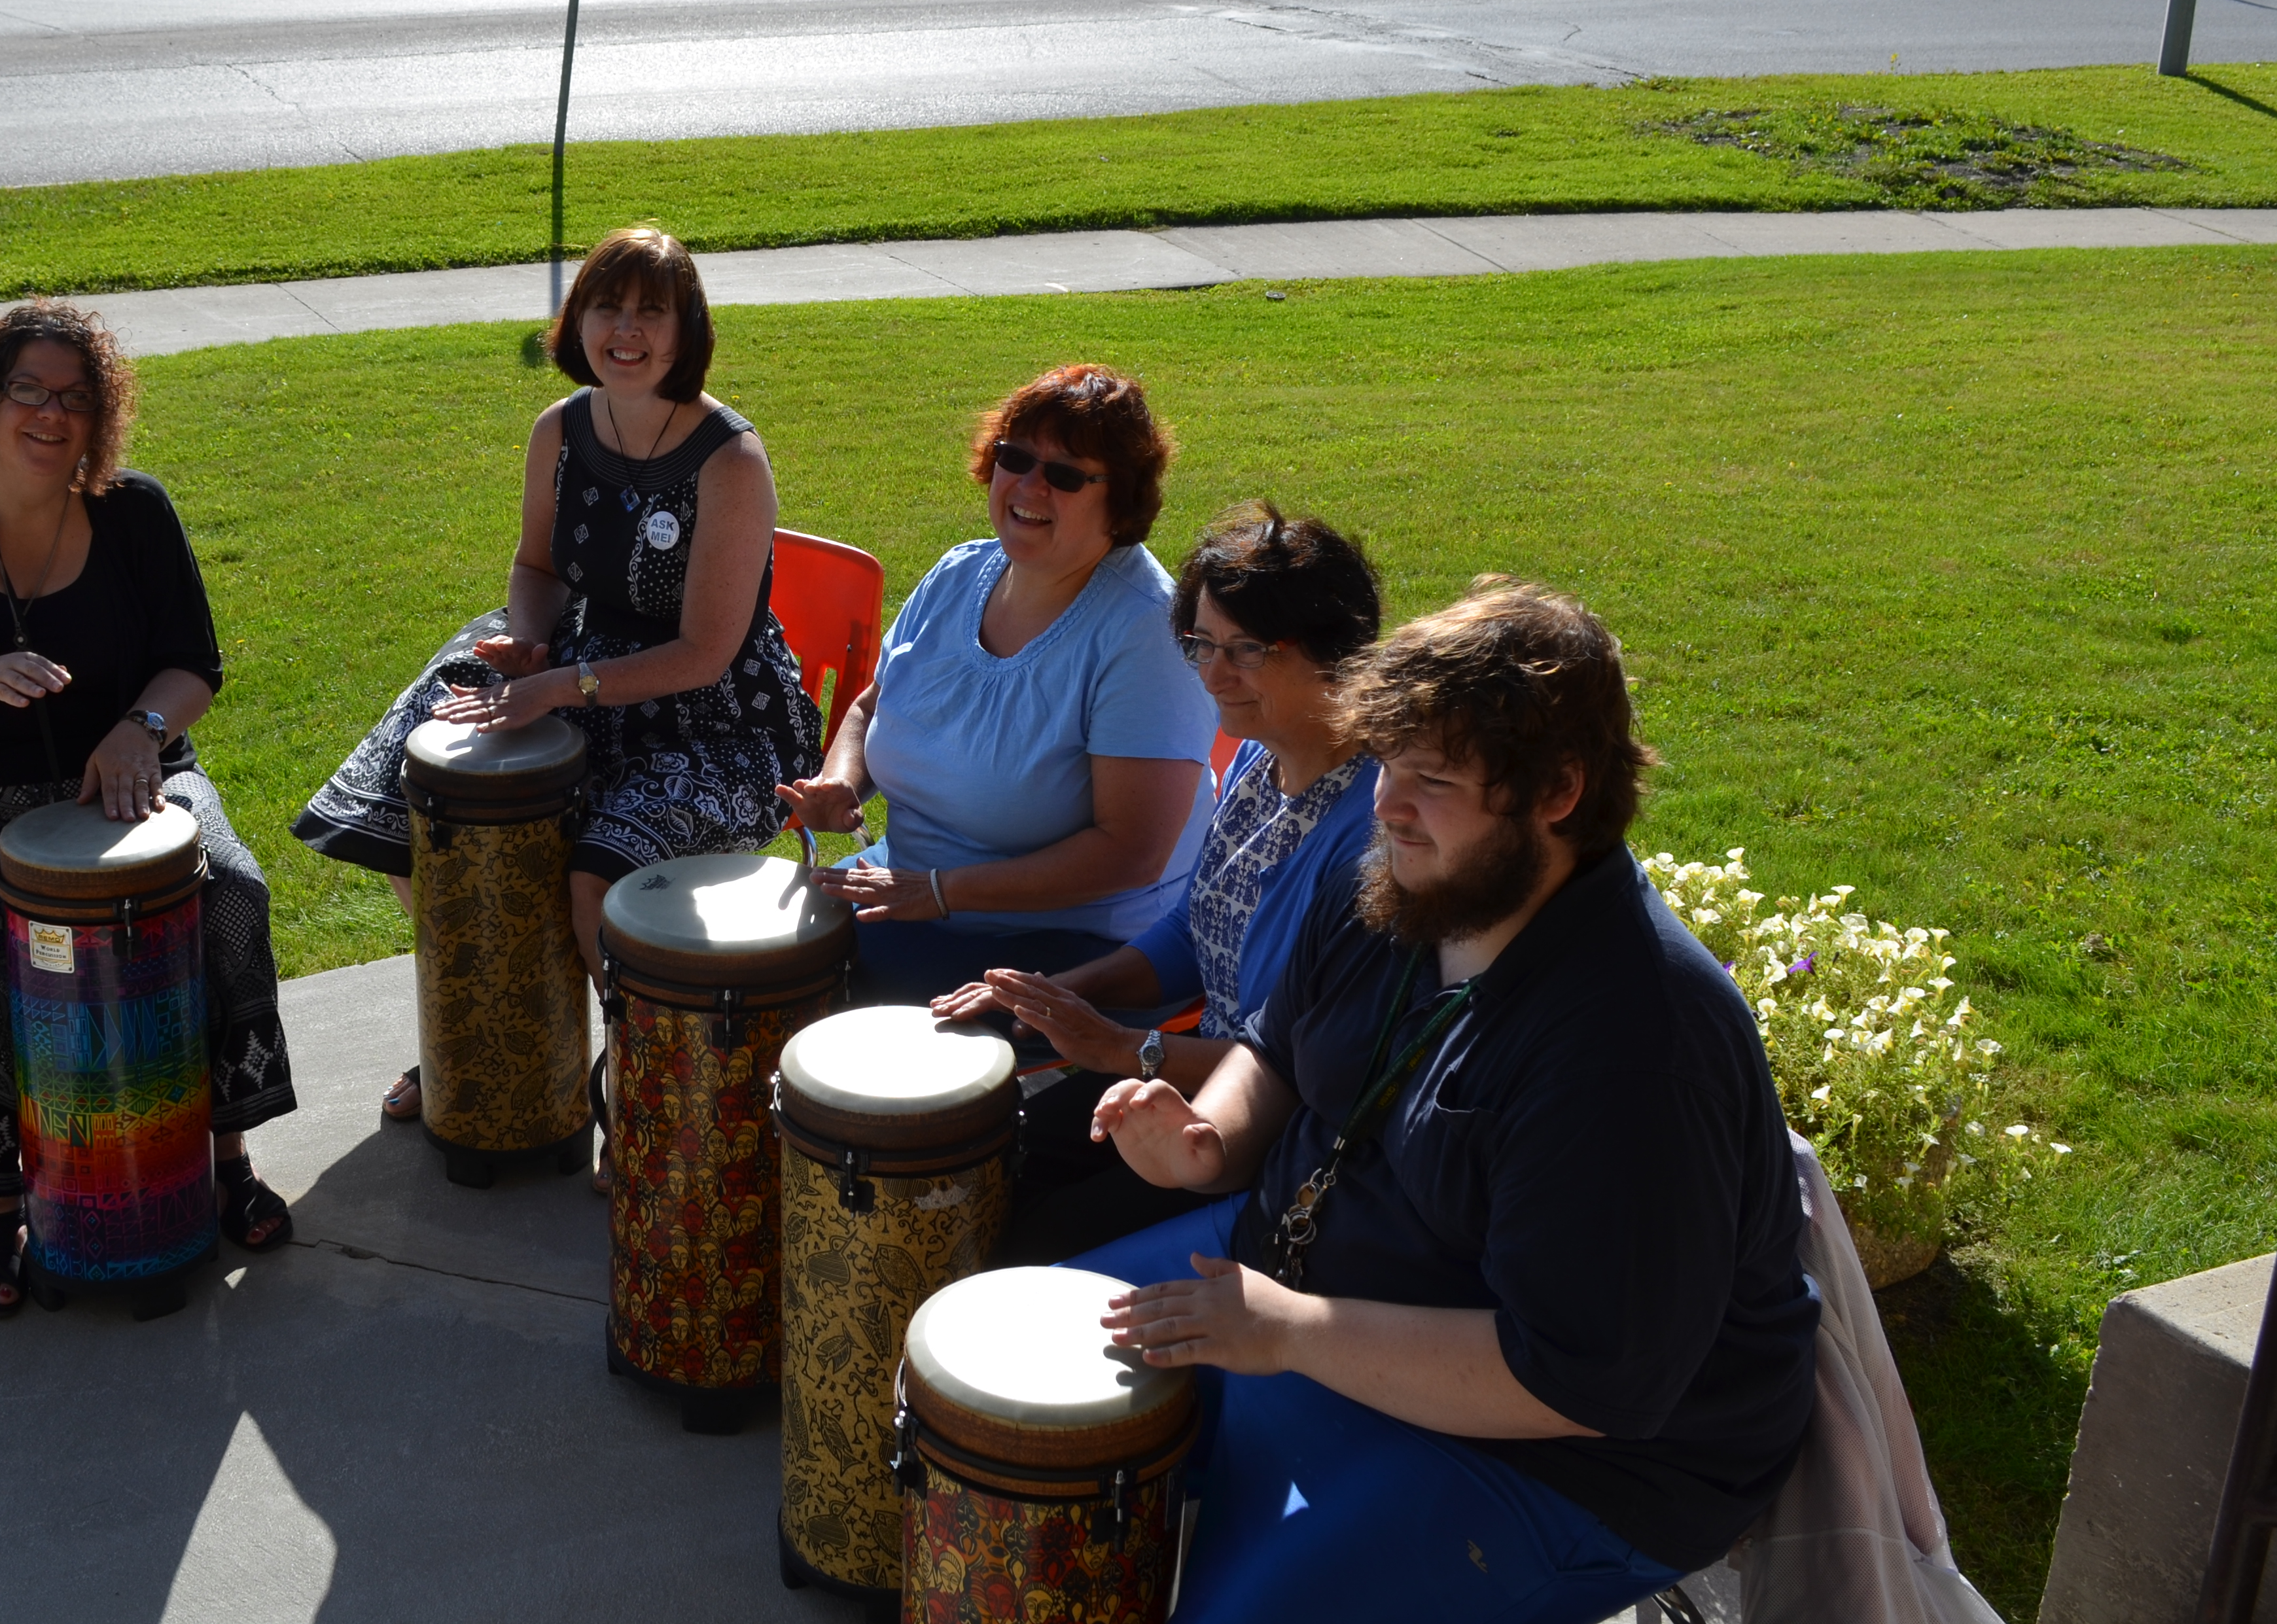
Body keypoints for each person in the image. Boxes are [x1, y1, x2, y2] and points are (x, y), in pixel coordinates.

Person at [1078, 578, 1818, 1622]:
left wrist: (1289, 1330)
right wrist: (1210, 1141)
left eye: (1431, 778)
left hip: (1565, 1462)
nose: (1385, 806)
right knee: (1035, 1379)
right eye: (1383, 763)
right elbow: (1281, 1051)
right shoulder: (1404, 877)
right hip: (1306, 1300)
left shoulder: (1632, 1044)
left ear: (1558, 792)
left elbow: (1573, 1379)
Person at [294, 227, 825, 1133]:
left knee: (593, 874)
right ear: (577, 320)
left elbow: (703, 651)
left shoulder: (731, 459)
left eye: (650, 313)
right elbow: (536, 569)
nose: (626, 331)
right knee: (425, 807)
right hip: (577, 661)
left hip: (718, 720)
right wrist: (532, 645)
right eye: (606, 308)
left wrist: (554, 687)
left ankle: (641, 1098)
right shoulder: (562, 429)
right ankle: (493, 1030)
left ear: (686, 329)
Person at [0, 300, 299, 1322]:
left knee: (228, 887)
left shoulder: (136, 511)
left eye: (75, 397)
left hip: (121, 782)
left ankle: (221, 1159)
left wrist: (139, 729)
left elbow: (195, 664)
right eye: (28, 391)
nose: (51, 415)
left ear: (101, 416)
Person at [936, 501, 1385, 1265]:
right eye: (1201, 644)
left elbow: (1298, 1069)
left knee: (1039, 1240)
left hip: (1274, 1142)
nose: (1212, 675)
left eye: (1246, 649)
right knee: (979, 1155)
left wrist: (1124, 1049)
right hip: (1188, 1086)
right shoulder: (1260, 756)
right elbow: (1193, 929)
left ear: (1334, 652)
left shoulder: (1371, 834)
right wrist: (1061, 996)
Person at [779, 364, 1216, 1005]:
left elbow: (1129, 854)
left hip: (1070, 945)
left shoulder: (1144, 631)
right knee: (747, 973)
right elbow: (874, 706)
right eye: (1015, 457)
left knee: (822, 1024)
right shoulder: (958, 572)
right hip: (906, 898)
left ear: (1120, 499)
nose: (1030, 486)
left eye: (1065, 474)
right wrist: (841, 782)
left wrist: (938, 892)